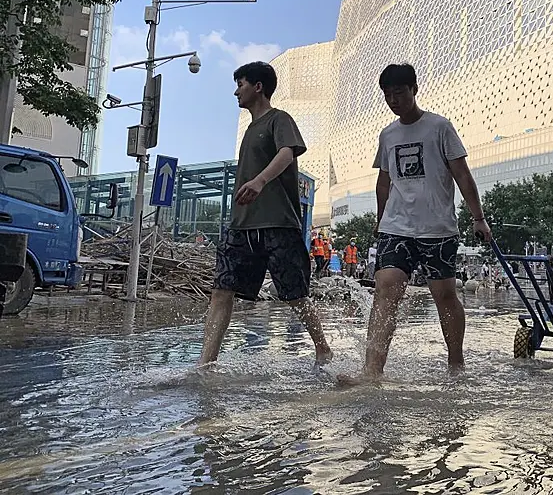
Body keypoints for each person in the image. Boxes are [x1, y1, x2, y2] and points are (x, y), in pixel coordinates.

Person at [338, 63, 491, 385]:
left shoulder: (439, 127)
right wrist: (381, 222)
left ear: (414, 90)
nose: (394, 100)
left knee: (445, 295)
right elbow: (383, 181)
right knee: (385, 288)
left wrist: (478, 218)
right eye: (388, 95)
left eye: (399, 93)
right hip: (397, 226)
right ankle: (371, 371)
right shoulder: (388, 134)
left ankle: (456, 364)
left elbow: (462, 174)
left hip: (438, 227)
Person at [199, 61, 332, 367]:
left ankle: (322, 347)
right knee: (222, 290)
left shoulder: (278, 119)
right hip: (242, 226)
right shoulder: (248, 131)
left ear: (258, 87)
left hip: (278, 224)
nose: (236, 91)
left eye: (241, 84)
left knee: (294, 294)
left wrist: (260, 181)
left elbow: (288, 152)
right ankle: (206, 363)